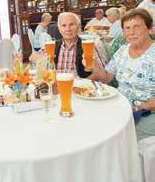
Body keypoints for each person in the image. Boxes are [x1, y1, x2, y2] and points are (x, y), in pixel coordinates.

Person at [89, 8, 155, 141]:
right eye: (127, 28)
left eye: (137, 27)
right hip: (120, 109)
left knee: (111, 140)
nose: (131, 32)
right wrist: (93, 62)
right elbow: (106, 77)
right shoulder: (122, 51)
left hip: (146, 114)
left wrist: (139, 108)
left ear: (149, 28)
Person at [30, 12, 104, 78]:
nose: (68, 29)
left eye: (71, 24)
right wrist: (37, 58)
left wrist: (84, 84)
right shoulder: (53, 46)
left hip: (80, 88)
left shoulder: (88, 47)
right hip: (57, 87)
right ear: (59, 29)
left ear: (78, 27)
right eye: (64, 25)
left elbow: (101, 73)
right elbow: (32, 57)